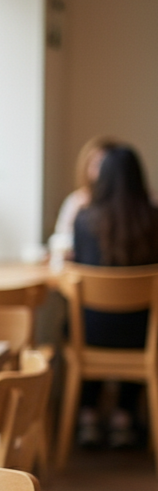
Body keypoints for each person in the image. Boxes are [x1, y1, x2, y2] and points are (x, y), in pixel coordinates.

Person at [73, 145, 158, 448]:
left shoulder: (84, 219)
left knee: (85, 323)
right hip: (143, 335)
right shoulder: (154, 219)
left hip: (92, 332)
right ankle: (124, 417)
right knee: (136, 324)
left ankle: (88, 416)